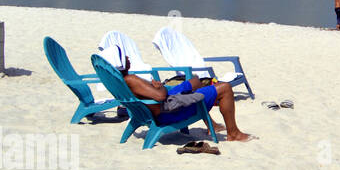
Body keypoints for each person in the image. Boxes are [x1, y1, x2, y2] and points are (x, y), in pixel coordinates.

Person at [103, 47, 252, 142]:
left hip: (150, 111)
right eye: (125, 56)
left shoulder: (120, 81)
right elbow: (161, 96)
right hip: (166, 113)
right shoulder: (131, 79)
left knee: (194, 82)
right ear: (120, 61)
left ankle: (211, 124)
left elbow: (153, 96)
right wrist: (160, 86)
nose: (128, 58)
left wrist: (156, 88)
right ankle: (233, 134)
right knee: (225, 87)